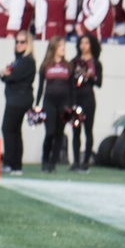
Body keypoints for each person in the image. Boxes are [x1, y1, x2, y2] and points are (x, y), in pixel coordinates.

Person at [0, 30, 35, 174]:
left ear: (28, 44)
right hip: (15, 99)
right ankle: (14, 164)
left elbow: (11, 77)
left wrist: (5, 75)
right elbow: (4, 75)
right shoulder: (18, 60)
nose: (19, 44)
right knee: (14, 131)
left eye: (22, 42)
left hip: (19, 100)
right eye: (17, 42)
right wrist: (4, 74)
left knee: (8, 129)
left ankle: (12, 163)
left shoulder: (27, 61)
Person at [36, 37, 72, 174]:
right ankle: (45, 159)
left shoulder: (68, 66)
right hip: (49, 101)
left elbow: (71, 88)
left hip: (63, 103)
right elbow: (40, 87)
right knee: (50, 132)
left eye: (64, 46)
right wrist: (36, 105)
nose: (63, 48)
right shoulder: (45, 65)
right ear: (53, 48)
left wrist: (71, 105)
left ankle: (52, 163)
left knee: (59, 134)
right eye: (60, 46)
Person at [70, 33, 102, 171]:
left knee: (88, 130)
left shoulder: (96, 63)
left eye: (86, 43)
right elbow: (69, 80)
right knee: (75, 130)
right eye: (81, 43)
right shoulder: (74, 61)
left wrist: (88, 77)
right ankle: (76, 161)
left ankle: (85, 162)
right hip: (76, 97)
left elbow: (99, 83)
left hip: (88, 98)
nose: (83, 46)